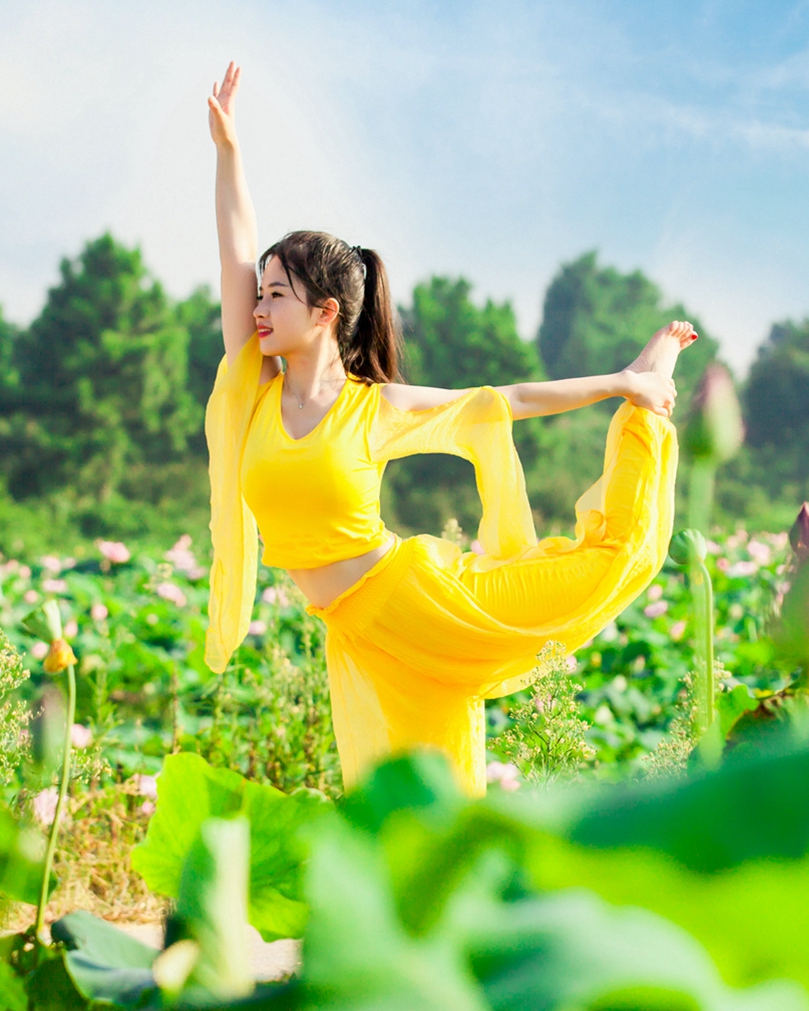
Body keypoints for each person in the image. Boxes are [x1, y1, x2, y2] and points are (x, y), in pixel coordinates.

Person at [201, 62, 694, 795]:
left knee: (604, 565)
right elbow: (235, 252)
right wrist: (230, 153)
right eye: (262, 292)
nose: (260, 307)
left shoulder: (375, 407)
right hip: (364, 637)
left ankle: (648, 397)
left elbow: (505, 399)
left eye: (277, 294)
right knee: (420, 797)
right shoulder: (258, 386)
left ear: (327, 311)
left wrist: (623, 380)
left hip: (426, 603)